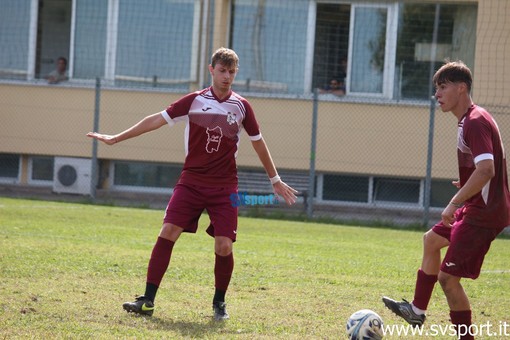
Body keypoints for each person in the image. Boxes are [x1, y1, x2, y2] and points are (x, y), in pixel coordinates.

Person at [86, 47, 298, 321]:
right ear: (211, 70)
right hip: (191, 182)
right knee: (168, 230)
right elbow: (155, 120)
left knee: (224, 246)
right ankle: (147, 300)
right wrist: (116, 138)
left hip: (225, 188)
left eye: (231, 72)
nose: (227, 76)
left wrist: (276, 180)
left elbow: (259, 143)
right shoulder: (194, 101)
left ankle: (219, 303)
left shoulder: (242, 107)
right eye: (222, 71)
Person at [382, 61, 510, 340]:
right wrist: (466, 186)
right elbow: (486, 168)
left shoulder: (474, 122)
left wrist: (454, 202)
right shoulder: (472, 119)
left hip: (483, 213)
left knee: (448, 280)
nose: (437, 94)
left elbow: (487, 170)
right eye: (436, 89)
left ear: (461, 88)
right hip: (477, 205)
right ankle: (416, 310)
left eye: (443, 87)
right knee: (431, 240)